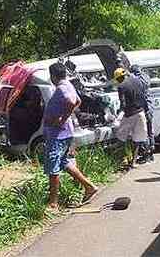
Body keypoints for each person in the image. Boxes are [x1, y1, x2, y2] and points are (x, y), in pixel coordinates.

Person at [43, 62, 98, 210]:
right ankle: (89, 186)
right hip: (64, 132)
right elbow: (78, 101)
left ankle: (53, 202)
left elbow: (71, 101)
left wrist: (61, 118)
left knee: (53, 168)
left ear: (53, 76)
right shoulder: (68, 84)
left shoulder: (61, 88)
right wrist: (65, 116)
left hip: (58, 133)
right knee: (63, 162)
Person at [113, 68, 149, 167]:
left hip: (129, 114)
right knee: (137, 140)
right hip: (141, 113)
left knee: (121, 137)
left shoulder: (121, 86)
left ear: (120, 77)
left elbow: (123, 103)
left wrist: (119, 113)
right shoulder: (138, 81)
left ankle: (120, 160)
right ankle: (133, 162)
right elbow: (144, 96)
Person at [130, 65, 155, 163]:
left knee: (143, 132)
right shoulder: (146, 78)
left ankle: (146, 155)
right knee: (150, 131)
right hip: (150, 107)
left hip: (143, 108)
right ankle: (151, 155)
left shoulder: (136, 81)